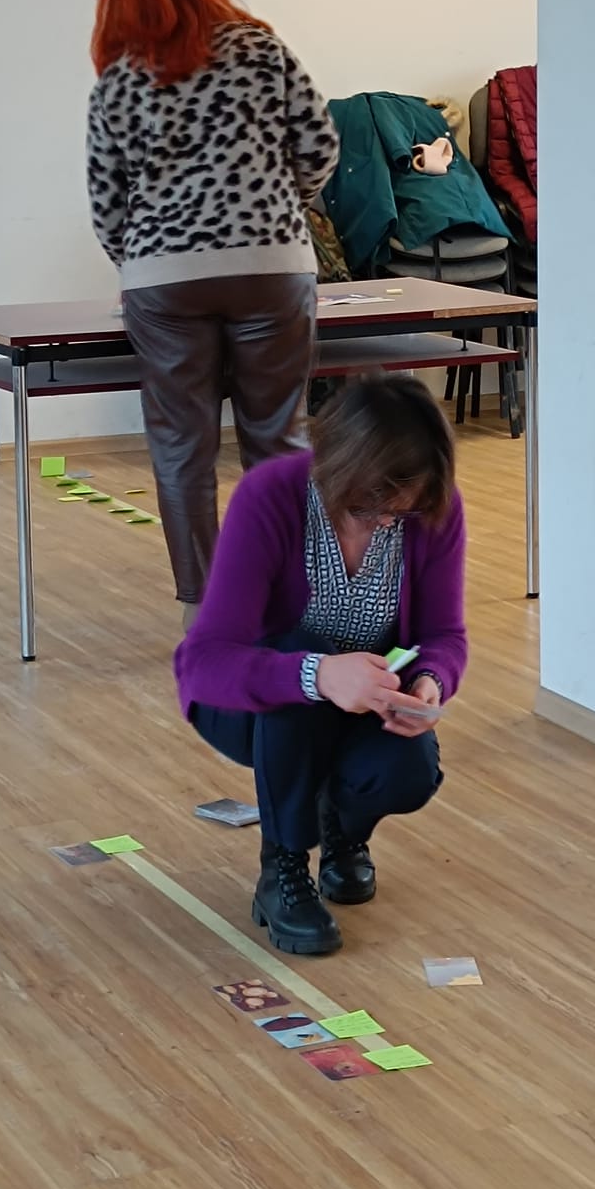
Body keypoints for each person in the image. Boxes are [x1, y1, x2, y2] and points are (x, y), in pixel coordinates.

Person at [87, 0, 340, 611]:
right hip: (271, 264)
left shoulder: (118, 79)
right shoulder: (262, 50)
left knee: (182, 447)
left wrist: (142, 258)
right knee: (279, 436)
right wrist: (277, 214)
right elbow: (320, 146)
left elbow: (106, 203)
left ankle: (206, 605)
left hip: (164, 277)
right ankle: (288, 596)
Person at [174, 375, 467, 956]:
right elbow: (204, 661)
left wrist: (430, 680)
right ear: (340, 470)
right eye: (373, 507)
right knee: (299, 664)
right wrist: (316, 675)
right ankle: (282, 867)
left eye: (403, 512)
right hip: (254, 708)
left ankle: (342, 830)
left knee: (410, 770)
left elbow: (445, 636)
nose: (389, 523)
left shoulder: (432, 511)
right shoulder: (270, 495)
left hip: (363, 704)